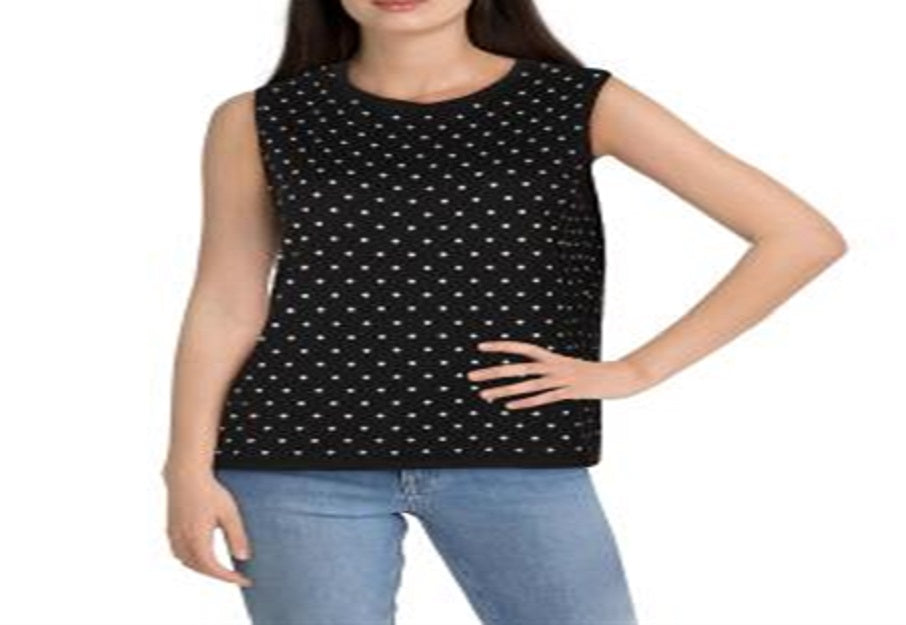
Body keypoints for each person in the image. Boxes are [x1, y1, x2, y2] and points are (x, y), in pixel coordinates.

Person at [162, 0, 848, 623]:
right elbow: (226, 301)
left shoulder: (574, 102)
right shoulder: (260, 118)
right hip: (296, 459)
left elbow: (798, 236)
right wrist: (186, 468)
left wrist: (636, 370)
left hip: (516, 446)